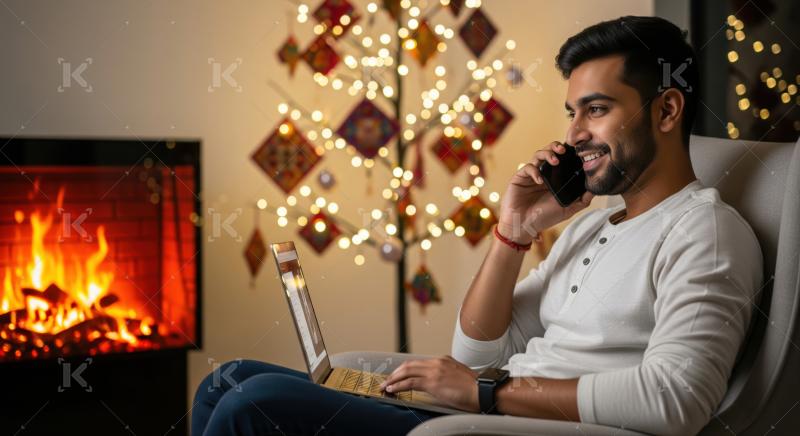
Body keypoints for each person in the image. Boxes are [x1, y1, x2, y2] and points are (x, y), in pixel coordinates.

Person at [192, 15, 763, 436]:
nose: (573, 136)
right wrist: (513, 232)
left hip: (515, 425)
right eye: (573, 113)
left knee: (254, 403)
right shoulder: (594, 225)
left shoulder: (704, 232)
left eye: (596, 109)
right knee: (228, 379)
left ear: (666, 111)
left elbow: (677, 399)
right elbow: (475, 349)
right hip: (486, 408)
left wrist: (485, 392)